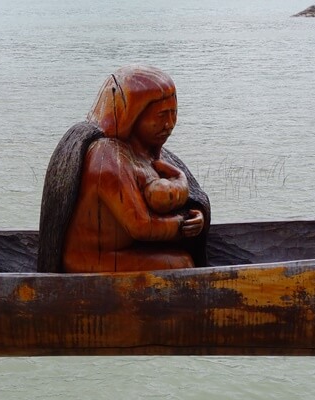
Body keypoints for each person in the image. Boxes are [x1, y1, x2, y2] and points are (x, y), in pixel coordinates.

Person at [37, 66, 209, 273]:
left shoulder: (147, 152)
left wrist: (196, 215)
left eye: (174, 113)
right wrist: (183, 226)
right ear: (132, 116)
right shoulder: (107, 156)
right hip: (91, 259)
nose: (169, 124)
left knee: (181, 260)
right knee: (181, 264)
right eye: (162, 115)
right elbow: (141, 226)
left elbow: (182, 195)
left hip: (127, 249)